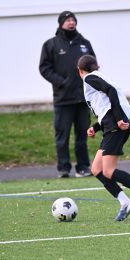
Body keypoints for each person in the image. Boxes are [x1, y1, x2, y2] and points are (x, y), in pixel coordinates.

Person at [77, 55, 130, 221]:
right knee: (97, 170)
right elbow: (105, 108)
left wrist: (118, 119)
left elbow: (111, 91)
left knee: (108, 171)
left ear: (80, 70)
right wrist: (95, 127)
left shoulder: (88, 78)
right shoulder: (97, 77)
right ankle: (125, 202)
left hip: (115, 127)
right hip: (111, 126)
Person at [39, 11, 94, 178]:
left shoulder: (84, 43)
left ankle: (83, 167)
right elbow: (44, 68)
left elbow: (92, 65)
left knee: (82, 135)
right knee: (62, 136)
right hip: (63, 100)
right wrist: (62, 82)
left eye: (73, 20)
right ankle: (63, 168)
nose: (71, 23)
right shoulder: (51, 44)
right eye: (68, 20)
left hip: (82, 98)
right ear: (61, 23)